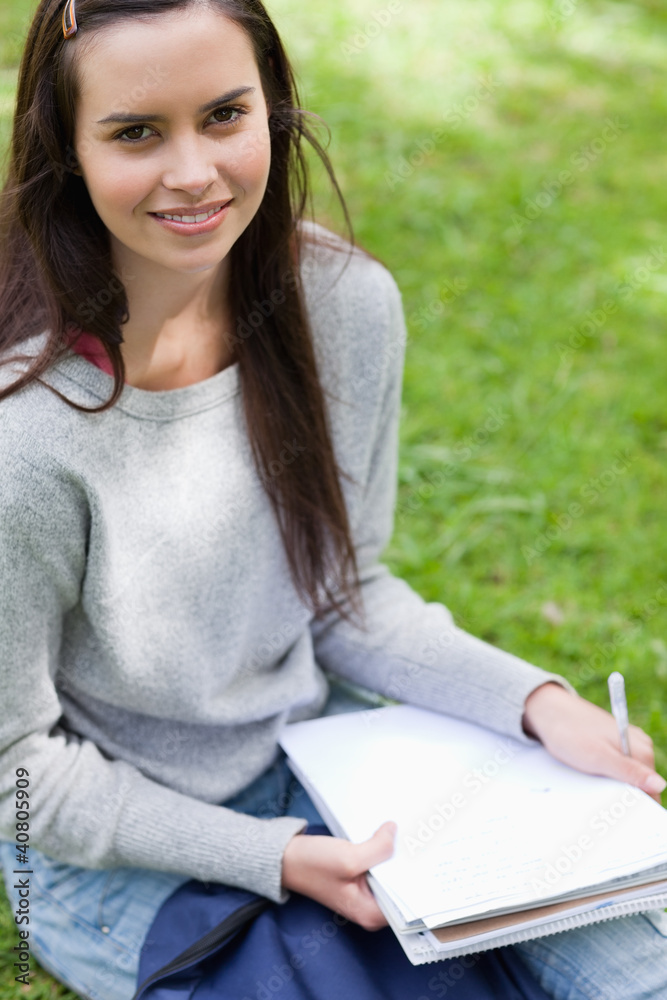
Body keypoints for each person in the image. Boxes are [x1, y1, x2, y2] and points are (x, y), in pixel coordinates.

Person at [0, 1, 665, 998]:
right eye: (136, 133)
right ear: (67, 152)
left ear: (273, 108)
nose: (194, 171)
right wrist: (270, 856)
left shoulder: (343, 304)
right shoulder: (27, 437)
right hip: (126, 854)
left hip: (331, 754)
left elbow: (342, 596)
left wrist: (535, 705)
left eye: (224, 115)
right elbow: (19, 772)